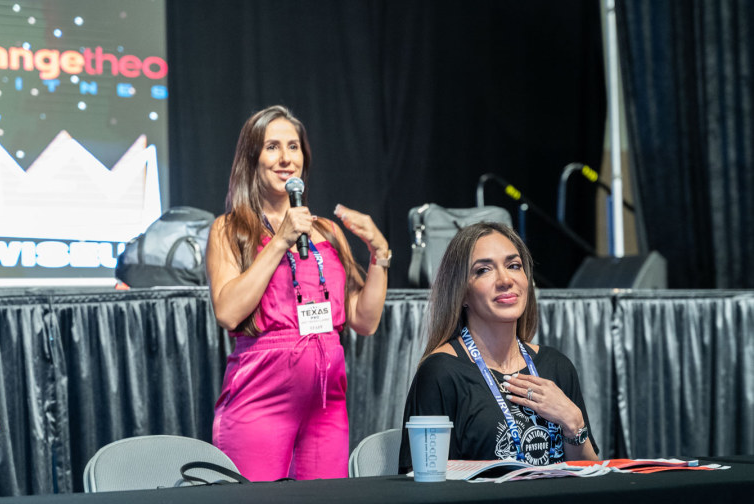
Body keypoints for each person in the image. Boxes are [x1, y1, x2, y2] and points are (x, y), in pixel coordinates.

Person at [207, 105, 390, 481]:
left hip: (326, 403)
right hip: (260, 397)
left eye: (293, 147)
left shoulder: (327, 231)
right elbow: (227, 311)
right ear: (252, 158)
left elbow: (364, 320)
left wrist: (379, 255)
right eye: (272, 147)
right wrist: (280, 240)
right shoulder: (230, 228)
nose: (286, 158)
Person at [399, 222, 599, 472]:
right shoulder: (440, 373)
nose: (505, 280)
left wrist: (574, 423)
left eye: (514, 266)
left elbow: (590, 478)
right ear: (461, 293)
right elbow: (425, 480)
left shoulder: (556, 366)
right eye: (483, 270)